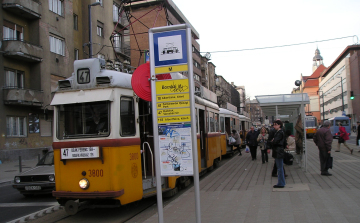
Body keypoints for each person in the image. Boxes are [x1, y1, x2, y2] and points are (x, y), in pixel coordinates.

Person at [271, 120, 286, 188]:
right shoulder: (280, 132)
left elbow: (276, 141)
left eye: (275, 124)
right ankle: (281, 182)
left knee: (279, 168)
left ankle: (281, 183)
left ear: (279, 125)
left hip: (278, 151)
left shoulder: (279, 133)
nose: (274, 126)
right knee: (280, 168)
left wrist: (273, 141)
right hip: (279, 151)